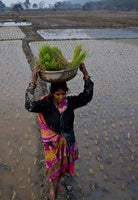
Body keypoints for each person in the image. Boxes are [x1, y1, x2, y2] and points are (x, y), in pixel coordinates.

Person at [25, 63, 94, 200]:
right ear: (52, 94)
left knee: (64, 165)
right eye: (58, 94)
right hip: (52, 144)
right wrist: (33, 82)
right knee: (53, 167)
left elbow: (87, 97)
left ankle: (59, 183)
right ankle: (52, 187)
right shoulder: (46, 104)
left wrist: (85, 74)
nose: (61, 97)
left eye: (63, 94)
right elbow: (29, 105)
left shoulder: (70, 103)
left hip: (67, 141)